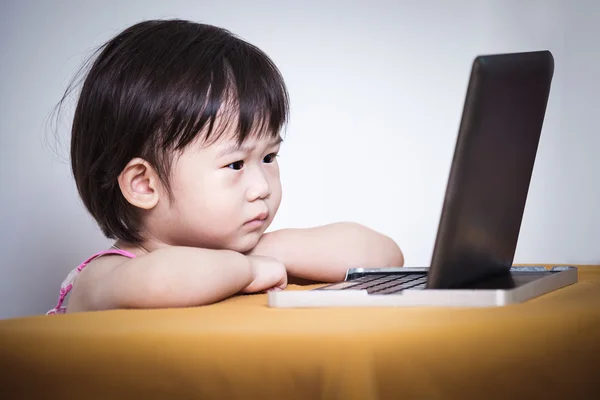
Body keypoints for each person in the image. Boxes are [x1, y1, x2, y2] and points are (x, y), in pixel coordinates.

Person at [47, 19, 404, 314]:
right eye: (235, 164)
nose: (262, 186)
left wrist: (273, 250)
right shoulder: (102, 277)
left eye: (268, 158)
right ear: (144, 184)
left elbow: (385, 256)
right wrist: (247, 267)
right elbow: (163, 281)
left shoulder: (245, 252)